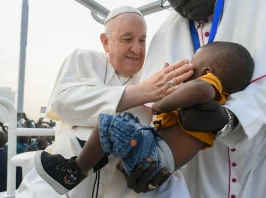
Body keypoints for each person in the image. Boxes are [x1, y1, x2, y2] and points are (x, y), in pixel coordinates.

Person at [120, 0, 266, 197]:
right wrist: (147, 161)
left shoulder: (261, 6)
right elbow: (152, 112)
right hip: (202, 169)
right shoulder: (164, 35)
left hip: (258, 155)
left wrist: (231, 117)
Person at [17, 6, 194, 198]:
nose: (137, 49)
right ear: (105, 42)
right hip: (59, 190)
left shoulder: (153, 76)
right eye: (127, 39)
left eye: (142, 40)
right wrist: (141, 92)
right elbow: (65, 103)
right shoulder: (86, 59)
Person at [34, 41, 254, 195]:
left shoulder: (208, 88)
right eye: (127, 38)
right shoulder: (211, 100)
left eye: (193, 65)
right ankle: (98, 156)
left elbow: (201, 90)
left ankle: (71, 172)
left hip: (154, 157)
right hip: (157, 157)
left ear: (207, 71)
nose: (188, 68)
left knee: (108, 124)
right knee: (127, 125)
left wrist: (163, 102)